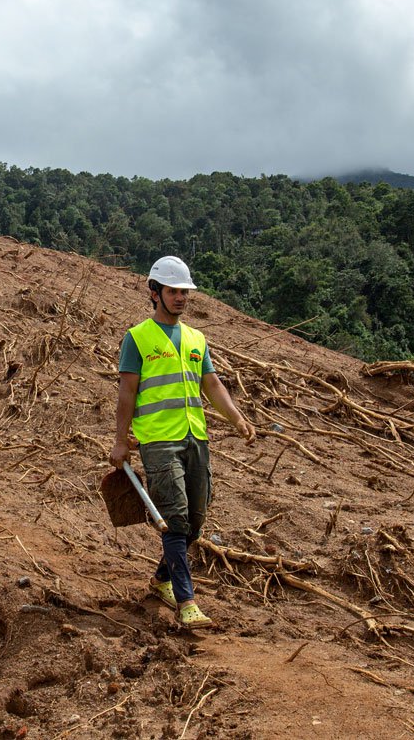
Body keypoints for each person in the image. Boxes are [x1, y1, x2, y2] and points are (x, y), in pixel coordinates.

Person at [110, 255, 255, 630]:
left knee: (194, 521)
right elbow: (127, 392)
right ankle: (186, 601)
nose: (181, 298)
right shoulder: (137, 338)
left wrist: (237, 418)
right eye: (174, 291)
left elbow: (212, 386)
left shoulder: (196, 339)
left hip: (195, 437)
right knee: (174, 518)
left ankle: (161, 581)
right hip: (158, 440)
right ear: (155, 292)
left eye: (184, 292)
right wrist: (120, 440)